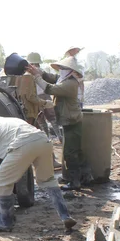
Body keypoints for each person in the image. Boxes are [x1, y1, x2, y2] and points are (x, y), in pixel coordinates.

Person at [0, 105, 77, 231]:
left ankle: (4, 221)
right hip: (43, 141)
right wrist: (1, 171)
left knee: (1, 180)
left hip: (23, 145)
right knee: (48, 180)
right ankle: (65, 216)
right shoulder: (12, 121)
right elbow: (22, 155)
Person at [27, 57, 88, 190]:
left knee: (70, 153)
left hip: (72, 121)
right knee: (72, 151)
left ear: (70, 71)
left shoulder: (70, 84)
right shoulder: (66, 79)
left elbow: (50, 89)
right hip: (70, 120)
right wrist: (39, 72)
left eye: (63, 69)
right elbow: (51, 77)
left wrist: (37, 77)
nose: (60, 71)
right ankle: (82, 177)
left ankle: (75, 182)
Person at [27, 52, 62, 143]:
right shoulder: (41, 71)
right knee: (52, 119)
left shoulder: (28, 73)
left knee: (41, 121)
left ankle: (47, 139)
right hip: (45, 95)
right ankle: (60, 137)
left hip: (37, 98)